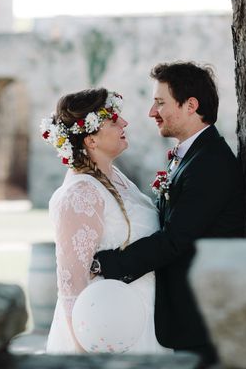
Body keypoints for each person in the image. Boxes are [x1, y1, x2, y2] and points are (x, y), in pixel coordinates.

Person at [92, 62, 245, 366]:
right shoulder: (192, 157)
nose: (151, 112)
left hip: (202, 314)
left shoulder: (210, 163)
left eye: (160, 102)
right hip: (184, 312)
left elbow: (177, 239)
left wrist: (106, 263)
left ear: (191, 105)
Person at [41, 88, 171, 354]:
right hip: (107, 329)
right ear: (91, 140)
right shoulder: (80, 194)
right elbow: (71, 284)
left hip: (143, 319)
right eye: (113, 120)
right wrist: (86, 356)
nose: (124, 123)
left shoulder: (117, 178)